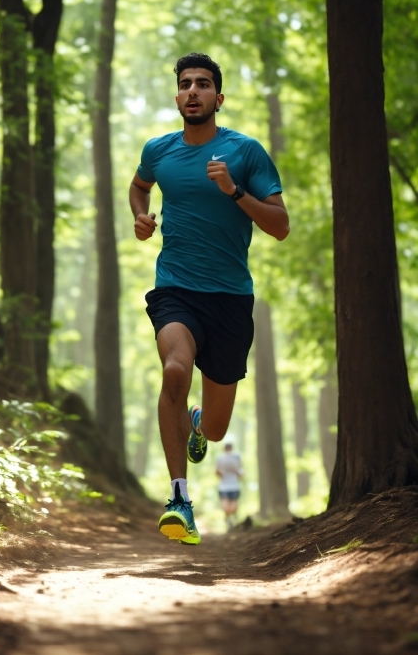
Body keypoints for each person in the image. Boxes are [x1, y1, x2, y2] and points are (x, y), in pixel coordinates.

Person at [129, 52, 289, 545]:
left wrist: (235, 191)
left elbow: (280, 226)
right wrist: (142, 217)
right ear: (177, 96)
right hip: (176, 288)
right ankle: (179, 499)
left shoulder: (245, 153)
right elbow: (139, 187)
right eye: (185, 84)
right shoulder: (159, 150)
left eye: (202, 84)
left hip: (230, 299)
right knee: (175, 370)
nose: (192, 91)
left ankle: (198, 422)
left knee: (217, 430)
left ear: (218, 98)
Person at [216, 441, 243, 530]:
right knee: (225, 506)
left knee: (233, 507)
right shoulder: (220, 458)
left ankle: (232, 519)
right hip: (224, 486)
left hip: (234, 485)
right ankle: (228, 519)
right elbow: (217, 472)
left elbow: (241, 473)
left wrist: (236, 471)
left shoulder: (237, 457)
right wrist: (221, 472)